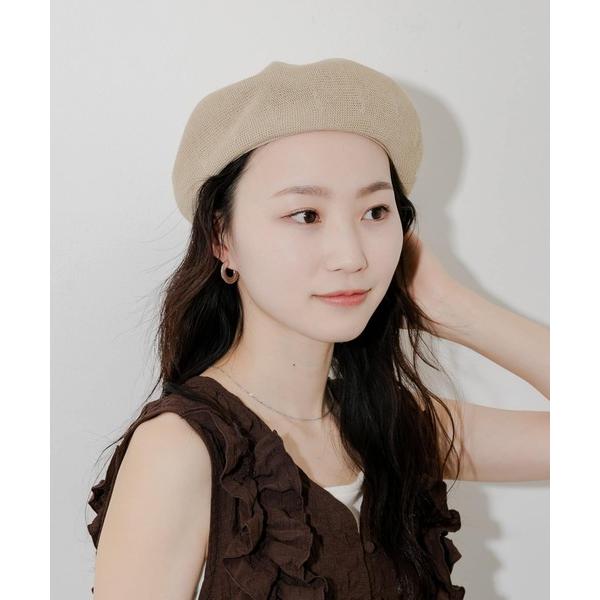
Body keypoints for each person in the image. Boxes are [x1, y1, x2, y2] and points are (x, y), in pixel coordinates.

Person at [86, 58, 549, 599]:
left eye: (375, 212)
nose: (351, 256)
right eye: (306, 215)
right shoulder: (182, 449)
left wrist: (455, 310)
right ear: (222, 238)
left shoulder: (392, 424)